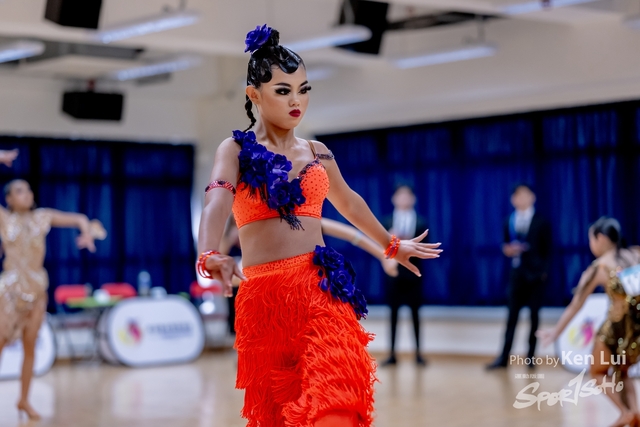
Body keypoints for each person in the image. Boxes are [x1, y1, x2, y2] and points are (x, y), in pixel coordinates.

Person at [197, 25, 442, 427]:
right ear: (253, 95)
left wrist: (391, 244)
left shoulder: (318, 152)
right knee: (280, 415)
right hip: (265, 299)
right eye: (283, 90)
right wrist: (208, 253)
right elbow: (217, 199)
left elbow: (350, 203)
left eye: (304, 89)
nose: (297, 101)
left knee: (338, 399)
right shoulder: (235, 149)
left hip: (319, 287)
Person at [0, 157, 106, 421]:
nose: (27, 194)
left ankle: (24, 399)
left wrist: (86, 233)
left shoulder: (42, 216)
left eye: (28, 189)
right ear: (9, 199)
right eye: (19, 190)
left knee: (30, 347)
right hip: (9, 292)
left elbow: (79, 218)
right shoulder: (4, 219)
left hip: (37, 290)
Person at [537, 217, 640, 427]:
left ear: (600, 238)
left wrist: (555, 332)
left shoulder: (599, 267)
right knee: (623, 372)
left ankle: (626, 413)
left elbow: (576, 304)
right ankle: (634, 416)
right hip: (637, 330)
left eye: (591, 239)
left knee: (598, 371)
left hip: (615, 330)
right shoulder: (636, 254)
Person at [487, 184, 551, 370]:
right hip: (517, 274)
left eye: (525, 195)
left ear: (532, 197)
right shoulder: (509, 221)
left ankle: (531, 357)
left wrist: (543, 272)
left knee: (534, 317)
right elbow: (505, 245)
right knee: (511, 316)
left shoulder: (541, 221)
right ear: (513, 199)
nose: (521, 199)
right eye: (517, 195)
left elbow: (548, 250)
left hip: (536, 276)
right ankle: (503, 357)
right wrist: (507, 249)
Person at [381, 185, 428, 366]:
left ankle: (418, 354)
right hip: (394, 273)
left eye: (407, 195)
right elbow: (380, 245)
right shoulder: (386, 222)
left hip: (414, 273)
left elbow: (426, 247)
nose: (404, 199)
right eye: (400, 195)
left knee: (415, 314)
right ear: (393, 199)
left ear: (413, 199)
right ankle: (392, 354)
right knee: (393, 314)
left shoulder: (421, 222)